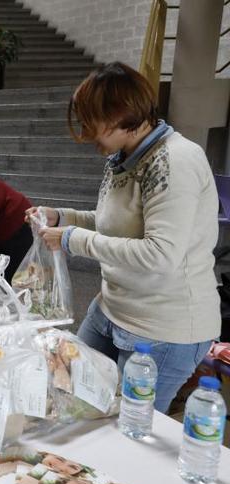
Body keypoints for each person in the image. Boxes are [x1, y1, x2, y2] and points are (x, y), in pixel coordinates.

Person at [33, 62, 220, 414]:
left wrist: (72, 239)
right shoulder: (125, 157)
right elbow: (114, 226)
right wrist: (63, 218)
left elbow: (161, 254)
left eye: (93, 122)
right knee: (67, 396)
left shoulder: (175, 160)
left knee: (122, 434)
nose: (87, 133)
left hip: (162, 330)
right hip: (111, 309)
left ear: (122, 114)